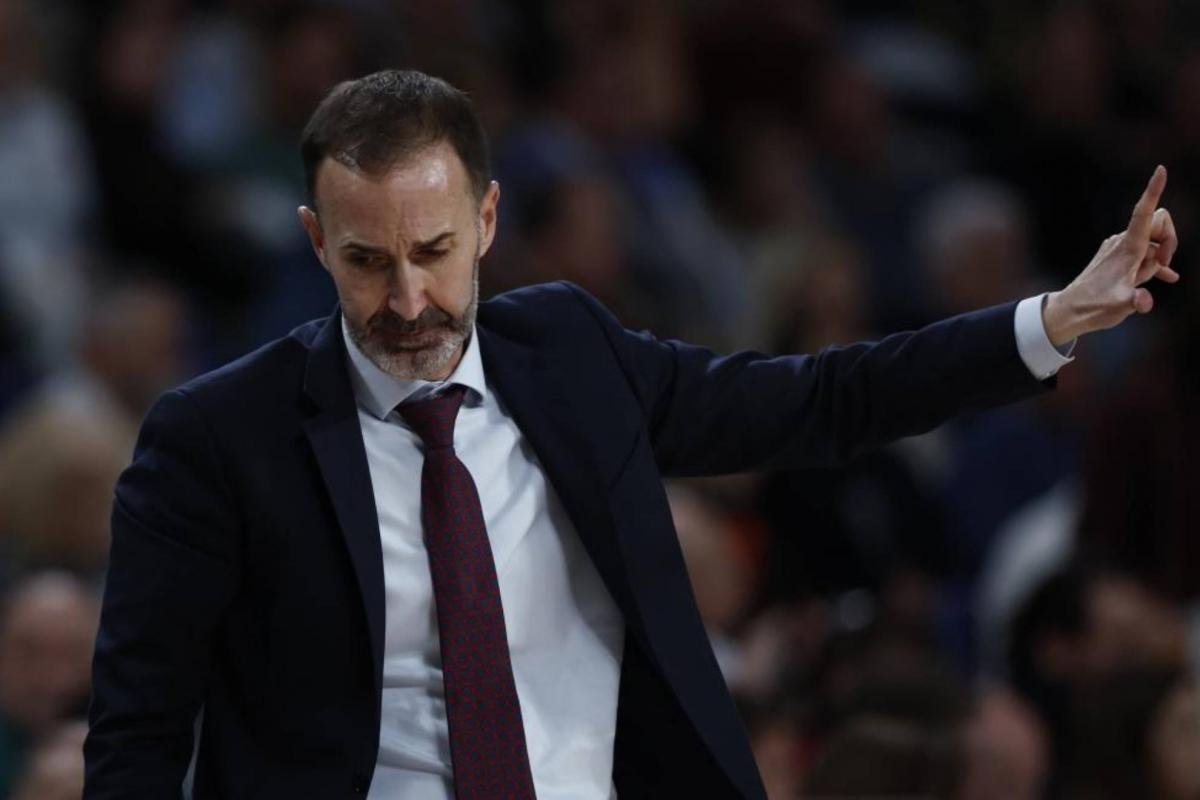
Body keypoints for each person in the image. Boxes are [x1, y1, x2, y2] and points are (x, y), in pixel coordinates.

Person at [83, 69, 1180, 799]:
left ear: (488, 220)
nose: (408, 298)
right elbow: (137, 736)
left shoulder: (571, 354)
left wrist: (1049, 320)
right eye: (368, 261)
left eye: (434, 250)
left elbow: (823, 399)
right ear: (317, 240)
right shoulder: (215, 438)